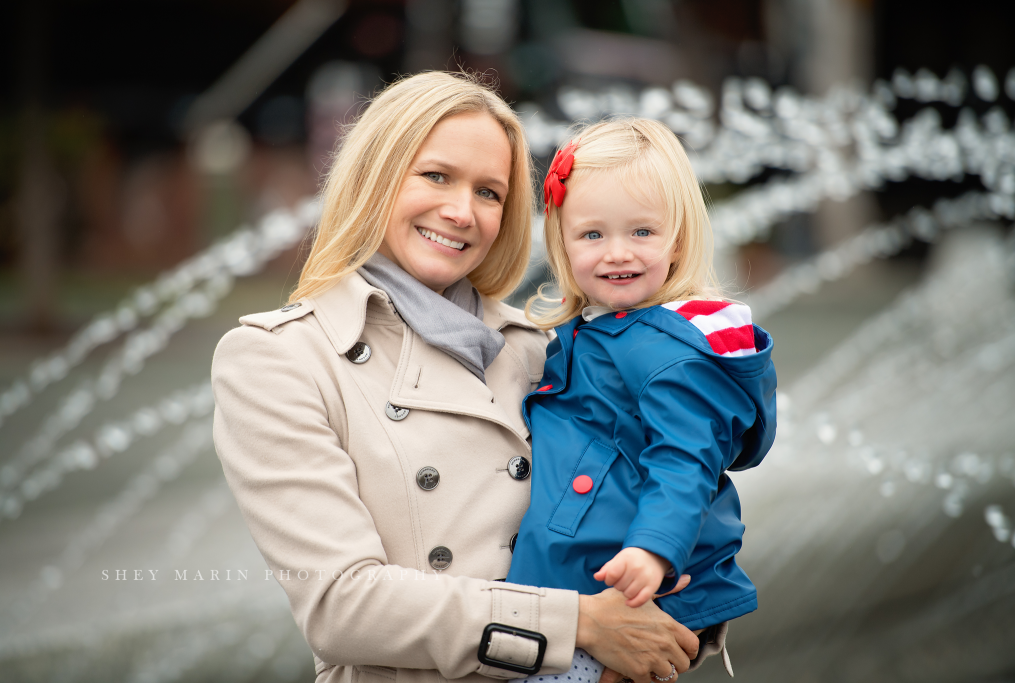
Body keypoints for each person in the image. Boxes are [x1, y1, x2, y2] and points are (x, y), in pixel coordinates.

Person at [211, 72, 699, 683]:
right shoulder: (279, 359)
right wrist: (577, 625)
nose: (461, 212)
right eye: (436, 176)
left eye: (490, 193)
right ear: (376, 177)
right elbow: (341, 608)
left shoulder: (544, 347)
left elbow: (665, 488)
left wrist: (671, 616)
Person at [505, 118, 778, 681]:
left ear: (678, 238)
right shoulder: (603, 326)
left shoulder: (670, 348)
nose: (617, 253)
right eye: (592, 235)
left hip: (625, 579)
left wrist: (654, 549)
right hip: (583, 572)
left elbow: (685, 459)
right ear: (561, 242)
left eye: (642, 233)